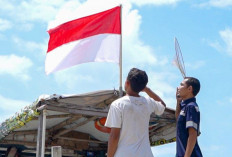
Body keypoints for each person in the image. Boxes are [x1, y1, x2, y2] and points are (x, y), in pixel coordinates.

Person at [105, 68, 166, 157]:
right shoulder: (148, 102)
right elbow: (162, 105)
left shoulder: (117, 105)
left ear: (127, 83)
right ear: (142, 87)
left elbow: (114, 136)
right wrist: (147, 90)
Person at [175, 77, 203, 157]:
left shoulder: (191, 107)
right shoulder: (185, 106)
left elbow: (193, 134)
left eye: (181, 85)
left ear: (190, 88)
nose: (178, 88)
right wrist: (178, 102)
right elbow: (178, 119)